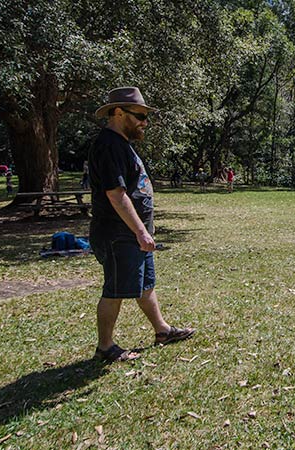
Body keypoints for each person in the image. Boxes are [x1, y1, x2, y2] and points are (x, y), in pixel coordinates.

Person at [90, 86, 195, 363]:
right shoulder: (109, 145)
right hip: (118, 233)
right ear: (119, 112)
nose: (144, 122)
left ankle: (162, 330)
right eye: (139, 115)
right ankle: (105, 347)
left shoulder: (122, 144)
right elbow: (116, 194)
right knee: (115, 290)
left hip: (134, 233)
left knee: (145, 284)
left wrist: (144, 229)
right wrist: (139, 231)